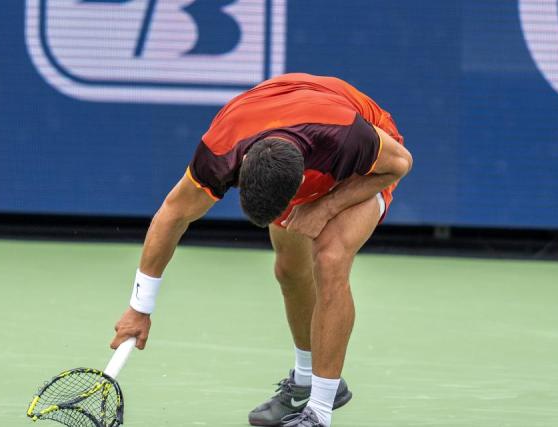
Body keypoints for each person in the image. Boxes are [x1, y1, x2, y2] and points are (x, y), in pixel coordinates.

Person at [109, 73, 413, 427]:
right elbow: (173, 214)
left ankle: (319, 412)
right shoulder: (221, 149)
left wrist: (325, 208)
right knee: (289, 270)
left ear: (300, 183)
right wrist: (139, 308)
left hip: (368, 163)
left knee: (329, 259)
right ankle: (303, 382)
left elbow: (400, 164)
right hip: (292, 134)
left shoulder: (348, 136)